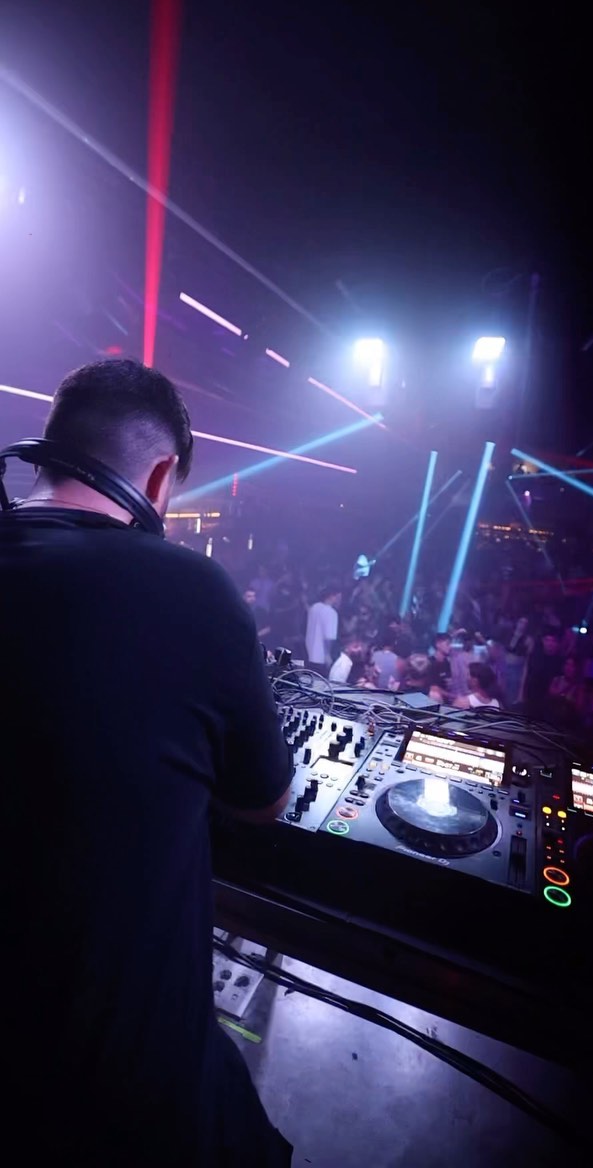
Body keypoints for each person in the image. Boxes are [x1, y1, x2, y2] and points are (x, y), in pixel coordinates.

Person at [0, 359, 293, 1166]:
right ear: (161, 478)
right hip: (116, 1094)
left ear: (46, 448)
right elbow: (264, 802)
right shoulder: (196, 591)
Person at [305, 583, 341, 674]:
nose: (339, 601)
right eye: (338, 597)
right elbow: (329, 638)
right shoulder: (331, 613)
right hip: (320, 658)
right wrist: (327, 655)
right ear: (332, 596)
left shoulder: (314, 607)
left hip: (308, 653)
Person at [428, 631, 453, 701]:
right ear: (438, 644)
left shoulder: (447, 662)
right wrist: (452, 696)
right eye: (448, 644)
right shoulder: (430, 663)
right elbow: (433, 688)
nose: (450, 647)